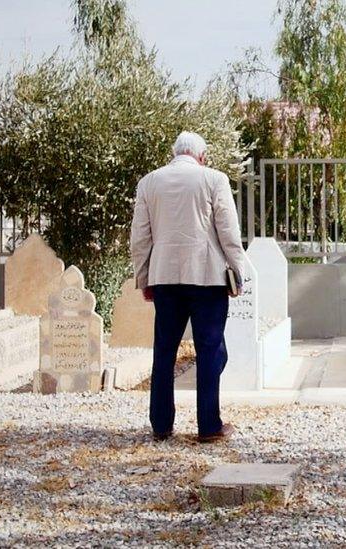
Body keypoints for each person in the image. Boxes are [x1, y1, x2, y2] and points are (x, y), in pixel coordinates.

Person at [130, 131, 245, 443]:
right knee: (210, 349)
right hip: (207, 276)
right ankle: (209, 426)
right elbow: (228, 232)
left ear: (175, 153)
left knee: (164, 350)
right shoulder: (214, 179)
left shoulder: (149, 182)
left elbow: (140, 237)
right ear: (202, 156)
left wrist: (144, 277)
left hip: (164, 276)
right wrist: (239, 271)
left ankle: (161, 425)